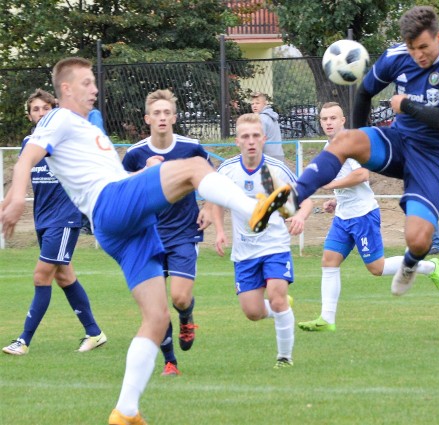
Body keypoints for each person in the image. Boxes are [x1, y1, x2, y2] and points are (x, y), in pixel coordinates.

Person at [0, 57, 288, 425]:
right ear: (67, 89)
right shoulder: (57, 118)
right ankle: (252, 210)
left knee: (156, 317)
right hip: (111, 204)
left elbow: (104, 172)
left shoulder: (89, 127)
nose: (95, 88)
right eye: (87, 83)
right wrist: (15, 197)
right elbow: (27, 156)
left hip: (120, 225)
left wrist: (147, 175)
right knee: (196, 167)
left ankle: (126, 410)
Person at [253, 6, 439, 297]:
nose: (418, 55)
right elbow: (364, 92)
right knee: (344, 140)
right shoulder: (397, 56)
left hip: (436, 155)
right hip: (400, 139)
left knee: (418, 240)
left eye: (424, 47)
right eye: (412, 48)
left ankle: (411, 264)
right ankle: (292, 197)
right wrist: (360, 143)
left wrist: (406, 105)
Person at [297, 102, 439, 332]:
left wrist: (332, 185)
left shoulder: (353, 143)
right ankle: (326, 319)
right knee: (329, 261)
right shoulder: (330, 149)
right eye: (324, 119)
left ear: (343, 120)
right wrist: (336, 200)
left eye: (333, 118)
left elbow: (362, 174)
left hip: (363, 215)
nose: (328, 122)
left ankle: (429, 267)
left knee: (376, 268)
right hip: (343, 216)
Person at [2, 88, 106, 356]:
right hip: (43, 218)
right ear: (29, 115)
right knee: (64, 275)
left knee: (41, 276)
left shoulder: (65, 139)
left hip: (64, 216)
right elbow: (22, 175)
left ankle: (23, 340)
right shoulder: (29, 144)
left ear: (55, 110)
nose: (40, 114)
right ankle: (94, 332)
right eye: (35, 110)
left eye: (45, 109)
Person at [122, 89, 214, 376]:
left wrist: (209, 206)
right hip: (147, 237)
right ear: (148, 118)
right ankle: (170, 362)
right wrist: (144, 172)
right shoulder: (136, 153)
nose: (162, 118)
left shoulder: (191, 147)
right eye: (156, 113)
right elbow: (119, 187)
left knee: (179, 298)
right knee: (156, 308)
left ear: (174, 117)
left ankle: (186, 317)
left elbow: (211, 177)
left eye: (166, 113)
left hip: (183, 232)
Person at [213, 113, 313, 368]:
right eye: (245, 137)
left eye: (256, 136)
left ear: (264, 138)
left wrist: (299, 216)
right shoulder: (228, 170)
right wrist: (219, 231)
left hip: (275, 246)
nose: (251, 141)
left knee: (277, 295)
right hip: (245, 251)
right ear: (237, 141)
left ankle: (284, 357)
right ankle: (280, 310)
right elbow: (216, 200)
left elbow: (307, 199)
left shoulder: (275, 171)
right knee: (252, 312)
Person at [250, 92, 285, 163]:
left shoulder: (261, 118)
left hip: (266, 157)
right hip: (278, 154)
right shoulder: (272, 116)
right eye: (252, 104)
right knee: (274, 174)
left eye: (257, 103)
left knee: (265, 174)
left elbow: (259, 139)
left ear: (265, 103)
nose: (254, 106)